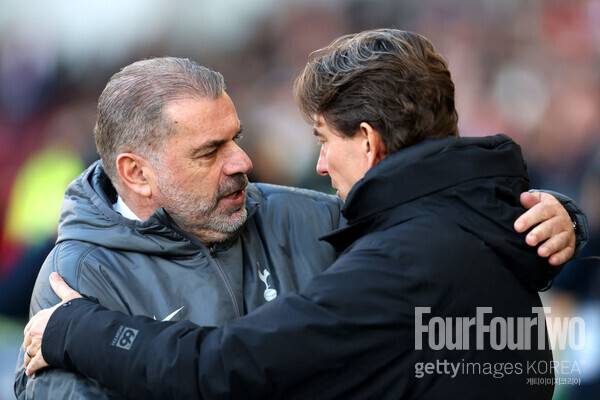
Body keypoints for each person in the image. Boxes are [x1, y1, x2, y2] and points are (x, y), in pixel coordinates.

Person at [22, 29, 588, 399]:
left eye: (322, 138)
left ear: (367, 141)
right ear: (136, 172)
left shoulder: (380, 249)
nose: (243, 161)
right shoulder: (79, 276)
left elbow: (224, 368)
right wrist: (556, 219)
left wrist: (82, 329)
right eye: (210, 150)